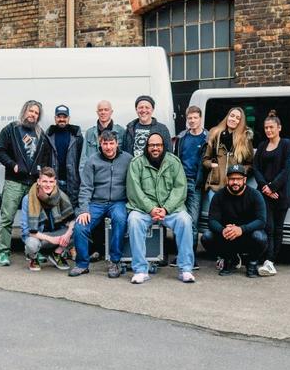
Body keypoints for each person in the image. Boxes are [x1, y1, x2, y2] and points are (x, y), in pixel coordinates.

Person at [126, 132, 196, 284]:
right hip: (145, 210)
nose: (155, 148)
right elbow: (134, 191)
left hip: (170, 209)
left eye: (158, 145)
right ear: (147, 147)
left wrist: (166, 209)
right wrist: (151, 208)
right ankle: (140, 270)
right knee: (133, 220)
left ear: (163, 146)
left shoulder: (174, 162)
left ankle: (185, 269)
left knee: (185, 220)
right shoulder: (136, 163)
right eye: (151, 145)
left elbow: (180, 188)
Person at [0, 100, 54, 267]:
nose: (33, 114)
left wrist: (42, 177)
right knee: (7, 218)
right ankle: (3, 252)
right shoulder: (11, 129)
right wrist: (12, 165)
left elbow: (46, 158)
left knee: (34, 219)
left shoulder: (41, 134)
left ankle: (33, 252)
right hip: (14, 182)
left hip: (33, 184)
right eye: (30, 111)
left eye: (36, 113)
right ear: (24, 111)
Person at [73, 130, 133, 278]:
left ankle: (115, 261)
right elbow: (85, 187)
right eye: (105, 144)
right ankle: (82, 264)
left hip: (118, 202)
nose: (108, 147)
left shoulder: (128, 159)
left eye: (111, 143)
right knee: (80, 226)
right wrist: (84, 210)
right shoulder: (92, 160)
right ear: (100, 144)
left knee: (120, 219)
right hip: (96, 203)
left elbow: (134, 183)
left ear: (117, 143)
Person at [202, 106, 254, 271]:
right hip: (216, 185)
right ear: (227, 116)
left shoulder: (244, 138)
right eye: (232, 115)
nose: (234, 119)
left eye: (238, 118)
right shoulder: (215, 134)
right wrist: (213, 165)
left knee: (233, 221)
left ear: (241, 121)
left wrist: (240, 173)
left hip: (234, 188)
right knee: (217, 223)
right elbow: (205, 159)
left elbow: (250, 163)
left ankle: (233, 253)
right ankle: (222, 255)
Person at [202, 164, 267, 277]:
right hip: (227, 237)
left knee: (260, 237)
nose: (235, 182)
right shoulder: (219, 196)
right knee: (207, 236)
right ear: (227, 179)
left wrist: (241, 229)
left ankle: (252, 263)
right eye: (232, 179)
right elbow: (212, 221)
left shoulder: (255, 195)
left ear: (244, 180)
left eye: (238, 179)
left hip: (247, 236)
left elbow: (261, 221)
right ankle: (229, 259)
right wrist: (222, 230)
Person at [252, 110, 290, 276]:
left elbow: (286, 170)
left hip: (280, 193)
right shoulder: (262, 146)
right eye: (266, 128)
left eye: (271, 127)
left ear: (279, 128)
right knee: (268, 227)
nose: (268, 130)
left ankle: (270, 261)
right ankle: (266, 260)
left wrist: (273, 187)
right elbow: (256, 168)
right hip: (264, 194)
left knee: (278, 229)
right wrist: (265, 187)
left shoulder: (286, 144)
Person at [20, 168, 76, 272]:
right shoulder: (28, 199)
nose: (48, 185)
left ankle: (57, 253)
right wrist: (51, 239)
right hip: (38, 236)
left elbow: (72, 220)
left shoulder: (61, 196)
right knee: (31, 243)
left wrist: (67, 235)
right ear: (39, 181)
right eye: (45, 181)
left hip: (56, 234)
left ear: (55, 182)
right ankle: (33, 258)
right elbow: (26, 231)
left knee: (78, 229)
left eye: (51, 182)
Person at [172, 105, 207, 267]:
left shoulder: (207, 138)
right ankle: (179, 255)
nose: (192, 121)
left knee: (192, 221)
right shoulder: (182, 137)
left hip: (195, 183)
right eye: (189, 118)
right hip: (180, 182)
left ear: (200, 118)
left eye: (195, 118)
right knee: (178, 218)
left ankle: (190, 258)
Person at [47, 104, 83, 205]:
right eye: (59, 116)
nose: (62, 119)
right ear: (55, 118)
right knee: (54, 210)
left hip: (72, 183)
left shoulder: (77, 137)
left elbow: (82, 160)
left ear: (69, 118)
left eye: (64, 117)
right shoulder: (48, 136)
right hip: (54, 182)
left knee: (71, 211)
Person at [79, 100, 125, 171]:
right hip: (94, 173)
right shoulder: (89, 133)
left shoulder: (121, 131)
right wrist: (83, 176)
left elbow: (125, 156)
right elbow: (83, 159)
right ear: (97, 112)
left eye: (106, 110)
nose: (103, 112)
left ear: (111, 112)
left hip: (115, 173)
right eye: (100, 110)